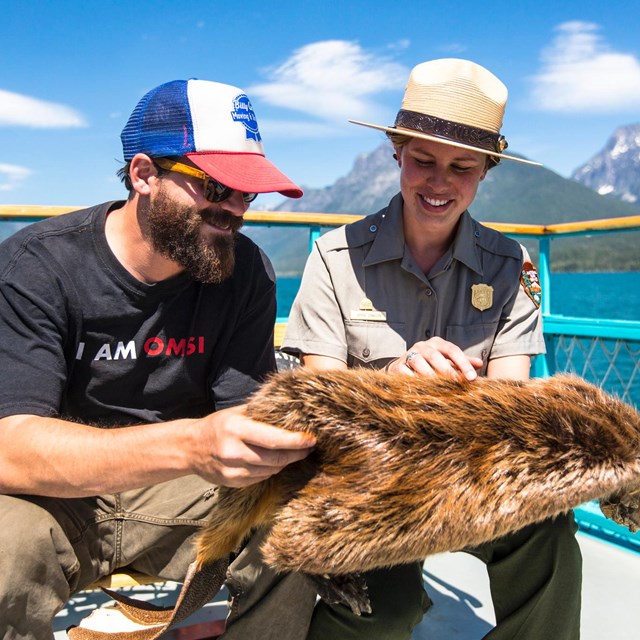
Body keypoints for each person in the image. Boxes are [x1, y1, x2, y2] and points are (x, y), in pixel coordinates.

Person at [0, 79, 320, 639]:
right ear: (144, 175)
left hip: (180, 492)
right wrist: (191, 443)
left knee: (302, 527)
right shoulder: (36, 267)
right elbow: (11, 450)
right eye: (217, 187)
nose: (235, 211)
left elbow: (244, 416)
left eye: (247, 194)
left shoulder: (244, 271)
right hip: (54, 497)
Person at [282, 59, 582, 640]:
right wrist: (394, 379)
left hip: (474, 482)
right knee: (382, 612)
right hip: (374, 484)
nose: (439, 182)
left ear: (486, 170)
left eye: (462, 167)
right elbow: (314, 404)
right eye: (422, 160)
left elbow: (513, 403)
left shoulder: (509, 264)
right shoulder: (333, 258)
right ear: (397, 153)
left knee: (550, 536)